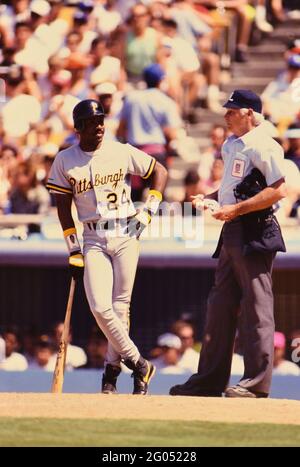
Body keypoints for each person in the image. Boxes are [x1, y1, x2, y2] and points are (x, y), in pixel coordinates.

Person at [170, 89, 286, 398]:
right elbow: (232, 187)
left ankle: (256, 383)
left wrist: (234, 209)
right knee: (219, 306)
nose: (226, 114)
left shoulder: (264, 144)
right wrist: (209, 198)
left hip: (255, 230)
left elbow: (279, 190)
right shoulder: (232, 144)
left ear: (249, 113)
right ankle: (209, 380)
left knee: (257, 308)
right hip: (232, 230)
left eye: (233, 110)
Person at [46, 98, 168, 395]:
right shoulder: (65, 160)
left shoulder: (121, 150)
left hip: (127, 230)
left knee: (120, 307)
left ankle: (111, 375)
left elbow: (159, 172)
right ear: (78, 128)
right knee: (100, 306)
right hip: (92, 236)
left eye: (101, 120)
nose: (99, 126)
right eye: (92, 122)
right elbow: (64, 209)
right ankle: (139, 363)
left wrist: (150, 208)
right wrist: (73, 249)